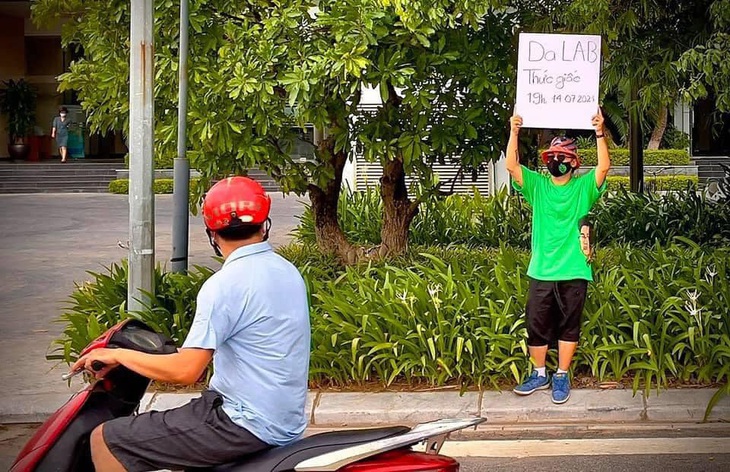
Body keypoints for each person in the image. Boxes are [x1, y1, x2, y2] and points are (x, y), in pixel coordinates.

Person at [70, 176, 311, 471]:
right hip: (283, 418)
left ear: (212, 234)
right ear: (265, 225)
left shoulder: (223, 285)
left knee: (107, 439)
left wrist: (118, 354)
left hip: (244, 423)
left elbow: (186, 370)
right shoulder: (287, 272)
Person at [506, 109, 610, 404]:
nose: (556, 161)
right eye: (552, 156)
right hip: (541, 269)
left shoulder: (583, 188)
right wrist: (514, 131)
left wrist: (600, 132)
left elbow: (603, 167)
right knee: (536, 324)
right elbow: (511, 165)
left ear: (574, 163)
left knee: (568, 325)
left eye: (563, 157)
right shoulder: (537, 186)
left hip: (574, 269)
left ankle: (561, 375)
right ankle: (539, 373)